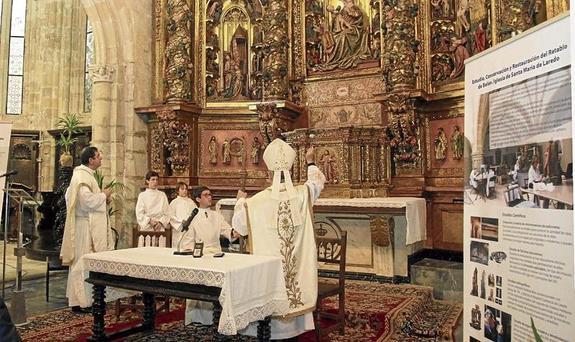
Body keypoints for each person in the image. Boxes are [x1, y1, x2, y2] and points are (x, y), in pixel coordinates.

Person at [231, 139, 326, 339]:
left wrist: (240, 200)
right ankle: (294, 330)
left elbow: (238, 227)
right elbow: (317, 181)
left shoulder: (255, 202)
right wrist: (310, 162)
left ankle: (269, 332)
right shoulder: (302, 195)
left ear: (269, 173)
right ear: (289, 171)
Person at [60, 146, 114, 313]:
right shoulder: (82, 177)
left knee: (83, 263)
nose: (101, 159)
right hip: (85, 227)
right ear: (91, 160)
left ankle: (80, 301)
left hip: (85, 224)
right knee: (83, 263)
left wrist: (104, 199)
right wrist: (104, 195)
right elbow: (86, 202)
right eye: (98, 156)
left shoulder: (83, 175)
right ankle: (82, 302)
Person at [183, 185, 241, 325]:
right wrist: (193, 253)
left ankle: (216, 317)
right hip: (200, 256)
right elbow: (187, 241)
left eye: (210, 194)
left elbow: (228, 231)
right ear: (198, 199)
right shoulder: (192, 216)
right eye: (206, 195)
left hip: (216, 255)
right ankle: (197, 317)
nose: (210, 197)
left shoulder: (216, 215)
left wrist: (235, 233)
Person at [168, 182, 197, 248]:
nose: (185, 191)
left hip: (189, 229)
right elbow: (170, 216)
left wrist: (190, 222)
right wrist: (181, 221)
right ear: (178, 191)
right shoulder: (174, 202)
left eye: (186, 189)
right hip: (179, 229)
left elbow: (196, 214)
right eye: (182, 189)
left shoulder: (191, 202)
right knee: (179, 247)